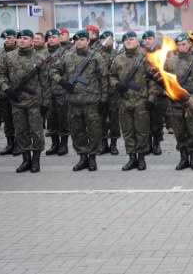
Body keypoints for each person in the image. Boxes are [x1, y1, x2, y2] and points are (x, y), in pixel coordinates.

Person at [50, 30, 109, 172]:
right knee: (77, 132)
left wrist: (104, 99)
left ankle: (92, 158)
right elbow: (52, 70)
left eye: (82, 39)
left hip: (91, 102)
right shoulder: (67, 57)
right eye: (76, 40)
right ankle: (83, 157)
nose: (79, 42)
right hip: (73, 102)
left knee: (94, 132)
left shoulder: (96, 57)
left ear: (88, 41)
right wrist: (62, 82)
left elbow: (104, 79)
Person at [0, 29, 49, 173]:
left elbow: (46, 83)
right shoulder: (8, 57)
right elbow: (2, 76)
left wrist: (45, 103)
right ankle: (26, 159)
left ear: (32, 40)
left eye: (25, 38)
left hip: (34, 102)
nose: (21, 40)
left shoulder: (39, 58)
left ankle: (36, 159)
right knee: (21, 132)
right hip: (17, 102)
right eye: (19, 38)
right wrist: (7, 89)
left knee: (36, 132)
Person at [110, 31, 158, 171]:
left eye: (131, 39)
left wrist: (151, 99)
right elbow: (111, 76)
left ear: (138, 42)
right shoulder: (118, 59)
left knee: (142, 131)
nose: (128, 41)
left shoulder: (146, 58)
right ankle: (132, 158)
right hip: (124, 101)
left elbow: (153, 81)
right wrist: (117, 85)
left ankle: (141, 159)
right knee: (128, 131)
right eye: (125, 40)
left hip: (141, 101)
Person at [164, 33, 193, 171]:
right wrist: (168, 93)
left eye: (184, 44)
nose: (181, 47)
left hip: (191, 102)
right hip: (175, 103)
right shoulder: (170, 61)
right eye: (179, 45)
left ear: (189, 45)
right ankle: (183, 159)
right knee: (179, 132)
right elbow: (164, 81)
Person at [97, 31, 121, 156]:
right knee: (101, 119)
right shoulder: (96, 54)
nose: (105, 41)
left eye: (108, 39)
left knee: (114, 119)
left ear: (113, 40)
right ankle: (103, 143)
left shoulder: (118, 54)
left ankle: (113, 144)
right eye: (103, 39)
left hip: (113, 93)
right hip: (100, 92)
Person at [0, 29, 19, 156]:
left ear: (15, 38)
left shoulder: (20, 52)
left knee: (18, 120)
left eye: (9, 37)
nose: (6, 40)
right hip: (3, 93)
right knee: (7, 121)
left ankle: (18, 144)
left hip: (16, 93)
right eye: (4, 38)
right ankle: (10, 143)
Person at [142, 30, 165, 156]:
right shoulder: (140, 54)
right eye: (145, 39)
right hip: (142, 92)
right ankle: (148, 144)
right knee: (145, 120)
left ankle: (156, 144)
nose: (147, 40)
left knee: (157, 120)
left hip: (157, 92)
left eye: (150, 38)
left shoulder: (161, 53)